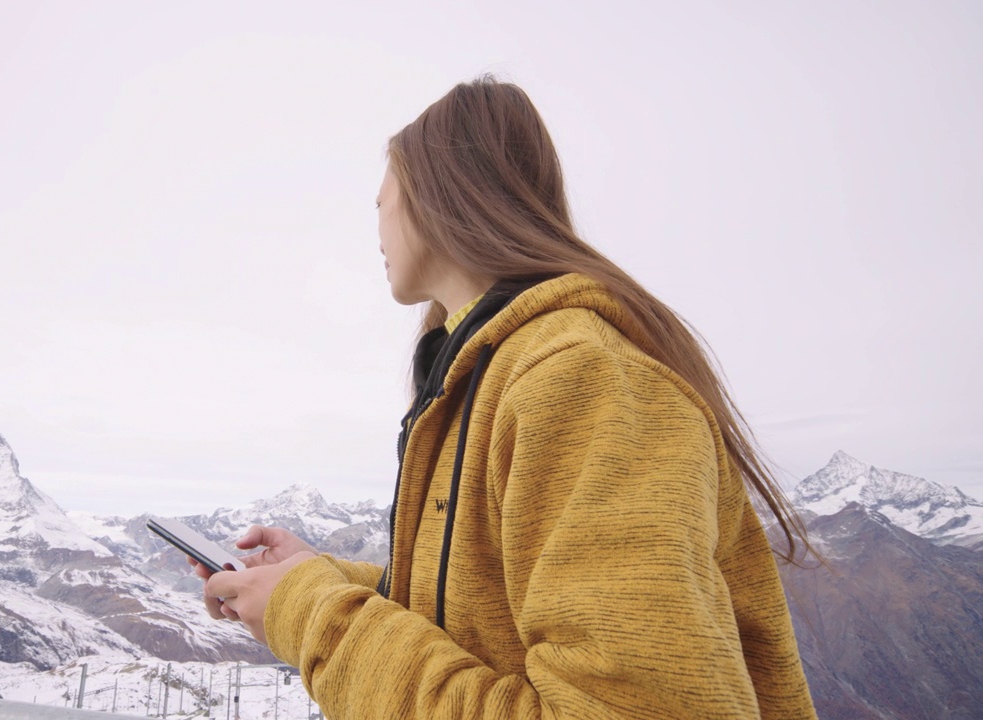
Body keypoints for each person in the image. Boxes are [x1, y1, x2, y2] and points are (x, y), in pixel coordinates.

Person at [198, 76, 817, 719]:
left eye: (379, 201)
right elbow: (482, 621)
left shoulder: (580, 380)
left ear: (431, 198)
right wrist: (312, 579)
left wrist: (311, 613)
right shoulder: (485, 376)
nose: (375, 224)